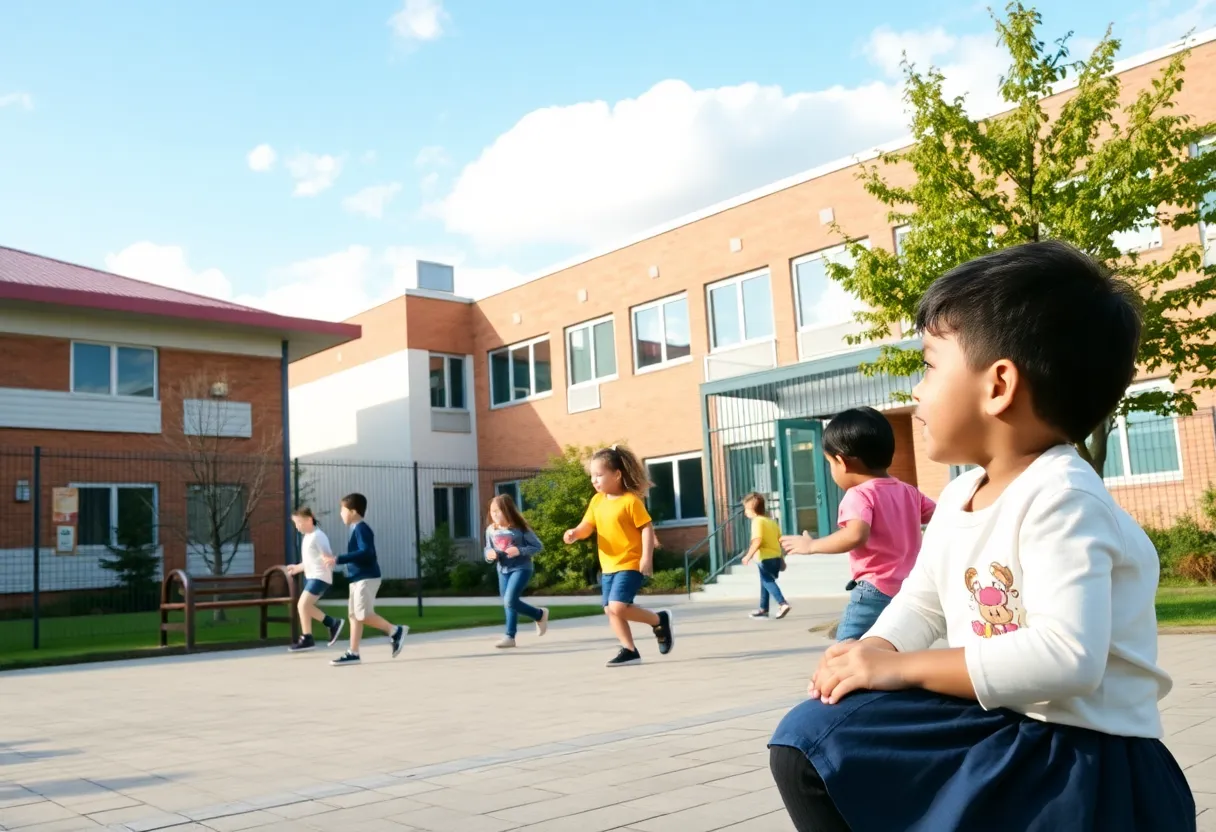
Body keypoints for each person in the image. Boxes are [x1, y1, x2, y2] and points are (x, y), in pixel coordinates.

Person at [767, 241, 1194, 831]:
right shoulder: (962, 496)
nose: (916, 390)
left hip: (1084, 761)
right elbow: (922, 599)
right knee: (814, 739)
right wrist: (879, 648)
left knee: (817, 739)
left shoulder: (1062, 497)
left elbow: (1067, 658)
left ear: (999, 386)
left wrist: (902, 669)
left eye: (930, 364)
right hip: (1006, 727)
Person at [780, 407, 936, 641]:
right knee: (893, 644)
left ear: (841, 462)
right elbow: (940, 515)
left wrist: (811, 546)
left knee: (847, 644)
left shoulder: (859, 495)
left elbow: (855, 535)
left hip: (874, 590)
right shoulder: (908, 492)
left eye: (830, 463)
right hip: (908, 588)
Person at [563, 445, 673, 667]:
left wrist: (646, 558)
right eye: (592, 476)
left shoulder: (630, 501)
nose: (594, 480)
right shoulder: (597, 501)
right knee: (610, 609)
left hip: (630, 562)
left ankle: (659, 620)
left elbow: (647, 528)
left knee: (618, 606)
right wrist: (575, 533)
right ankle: (630, 650)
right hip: (609, 565)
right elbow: (588, 525)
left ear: (617, 475)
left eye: (599, 475)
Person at [323, 493, 407, 666]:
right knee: (354, 616)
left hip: (366, 577)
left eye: (343, 510)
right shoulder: (355, 528)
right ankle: (353, 653)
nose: (340, 514)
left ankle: (395, 631)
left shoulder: (361, 528)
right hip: (357, 578)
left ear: (353, 511)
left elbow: (367, 552)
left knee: (363, 614)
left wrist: (339, 559)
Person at [485, 493, 549, 649]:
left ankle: (514, 631)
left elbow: (538, 546)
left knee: (509, 600)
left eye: (498, 511)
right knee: (509, 603)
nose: (494, 515)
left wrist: (519, 550)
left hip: (521, 568)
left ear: (507, 511)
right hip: (503, 569)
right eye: (492, 511)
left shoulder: (520, 528)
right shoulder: (491, 530)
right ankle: (514, 634)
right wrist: (489, 555)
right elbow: (487, 548)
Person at [286, 507, 345, 652]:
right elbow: (309, 562)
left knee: (302, 605)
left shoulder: (318, 536)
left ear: (309, 520)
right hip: (312, 577)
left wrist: (328, 560)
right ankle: (326, 626)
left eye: (298, 522)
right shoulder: (307, 537)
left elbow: (327, 556)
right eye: (295, 524)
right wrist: (296, 568)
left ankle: (313, 634)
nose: (297, 526)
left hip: (320, 577)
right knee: (305, 607)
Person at [739, 493, 790, 620]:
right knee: (764, 582)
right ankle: (763, 609)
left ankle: (782, 603)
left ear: (752, 508)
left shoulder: (757, 521)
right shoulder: (772, 522)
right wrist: (782, 560)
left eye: (746, 509)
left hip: (765, 558)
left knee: (768, 581)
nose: (745, 512)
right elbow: (779, 542)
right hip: (776, 558)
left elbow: (757, 540)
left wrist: (748, 556)